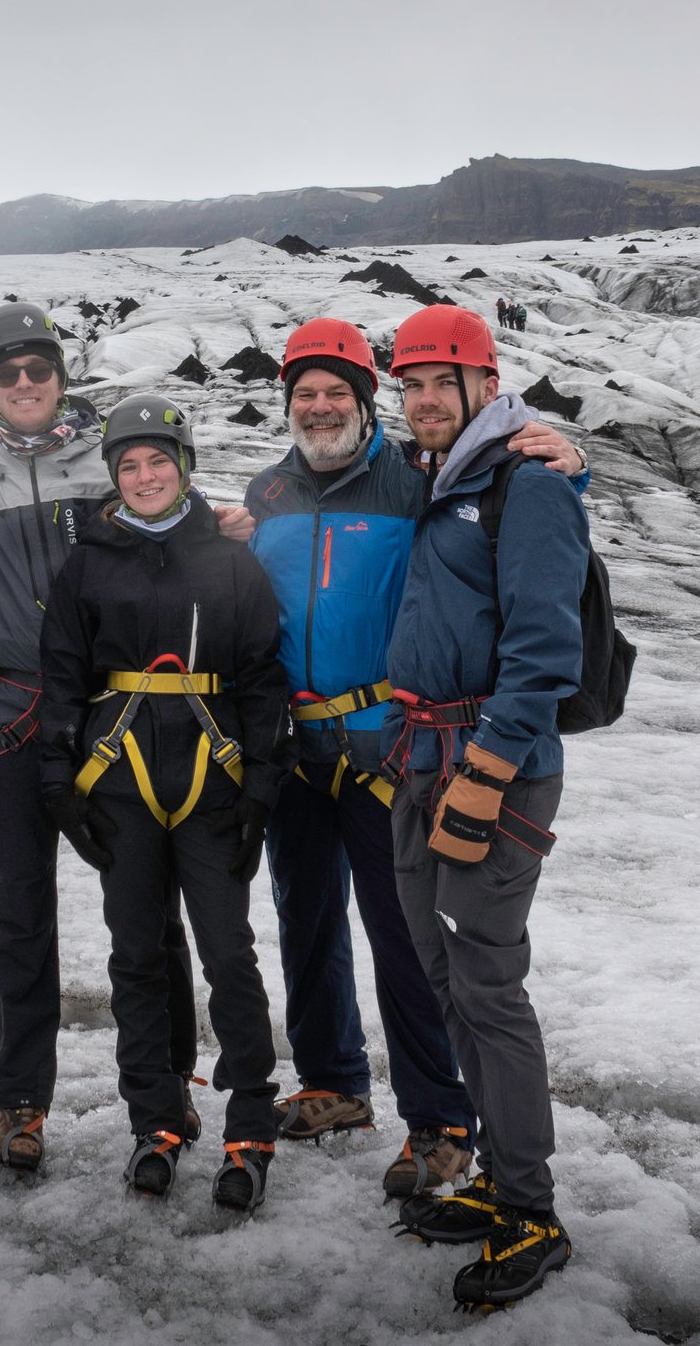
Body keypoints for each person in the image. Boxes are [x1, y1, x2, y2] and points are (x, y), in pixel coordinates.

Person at [220, 318, 584, 1203]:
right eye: (304, 395)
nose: (319, 408)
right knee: (305, 921)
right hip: (297, 744)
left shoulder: (415, 480)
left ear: (364, 401)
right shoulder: (266, 494)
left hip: (395, 747)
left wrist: (573, 457)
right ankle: (335, 1085)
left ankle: (439, 1119)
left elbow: (506, 505)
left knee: (407, 939)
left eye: (336, 393)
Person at [0, 303, 200, 1173]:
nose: (23, 384)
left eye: (36, 367)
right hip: (10, 712)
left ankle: (166, 1086)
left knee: (146, 905)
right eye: (6, 371)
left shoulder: (112, 459)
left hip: (112, 711)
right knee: (23, 909)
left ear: (60, 371)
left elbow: (178, 516)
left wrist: (234, 520)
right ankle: (21, 1100)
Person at [38, 394, 291, 1210]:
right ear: (114, 474)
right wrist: (56, 777)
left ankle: (250, 1121)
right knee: (137, 955)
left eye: (159, 462)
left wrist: (262, 780)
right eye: (130, 465)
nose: (145, 477)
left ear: (183, 466)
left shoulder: (229, 558)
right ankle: (156, 1118)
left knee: (229, 956)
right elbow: (62, 678)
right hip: (119, 782)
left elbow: (259, 673)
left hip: (213, 782)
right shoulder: (87, 564)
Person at [385, 305, 583, 1311]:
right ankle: (501, 1179)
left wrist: (491, 769)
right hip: (422, 761)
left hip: (487, 773)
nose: (421, 401)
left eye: (438, 383)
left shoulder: (526, 481)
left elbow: (546, 649)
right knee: (445, 976)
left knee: (489, 985)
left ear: (482, 381)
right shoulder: (442, 473)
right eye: (410, 384)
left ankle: (533, 1209)